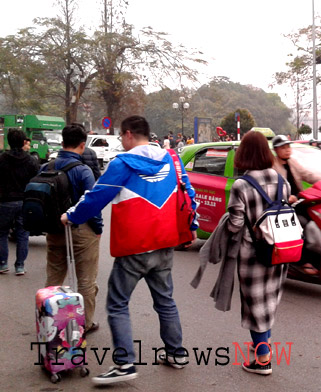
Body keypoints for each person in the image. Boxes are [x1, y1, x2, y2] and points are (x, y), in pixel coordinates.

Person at [61, 116, 198, 385]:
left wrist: (72, 216)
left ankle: (124, 363)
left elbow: (97, 196)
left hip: (134, 246)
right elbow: (188, 192)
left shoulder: (122, 163)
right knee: (165, 301)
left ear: (127, 135)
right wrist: (191, 225)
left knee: (117, 303)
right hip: (165, 241)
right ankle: (176, 353)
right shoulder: (172, 158)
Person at [227, 131, 290, 376]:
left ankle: (263, 360)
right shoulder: (281, 180)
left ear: (243, 154)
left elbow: (234, 225)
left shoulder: (241, 185)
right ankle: (262, 345)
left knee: (255, 305)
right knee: (268, 300)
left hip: (252, 253)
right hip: (278, 250)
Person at [44, 124, 103, 333]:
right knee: (86, 280)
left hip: (54, 229)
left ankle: (49, 320)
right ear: (82, 144)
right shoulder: (82, 170)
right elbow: (92, 202)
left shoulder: (47, 167)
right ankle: (85, 324)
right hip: (80, 230)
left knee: (54, 278)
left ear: (62, 142)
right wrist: (98, 228)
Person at [271, 135, 321, 275]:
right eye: (283, 148)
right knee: (303, 227)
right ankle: (303, 262)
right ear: (276, 150)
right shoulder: (272, 167)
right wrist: (286, 197)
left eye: (288, 147)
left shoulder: (292, 162)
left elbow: (307, 174)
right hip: (284, 207)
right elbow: (272, 188)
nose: (287, 150)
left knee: (320, 221)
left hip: (300, 202)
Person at [0, 129, 40, 275]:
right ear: (24, 142)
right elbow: (37, 180)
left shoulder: (2, 159)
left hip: (4, 201)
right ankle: (20, 265)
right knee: (23, 234)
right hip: (25, 201)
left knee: (2, 233)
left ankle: (3, 263)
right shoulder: (31, 161)